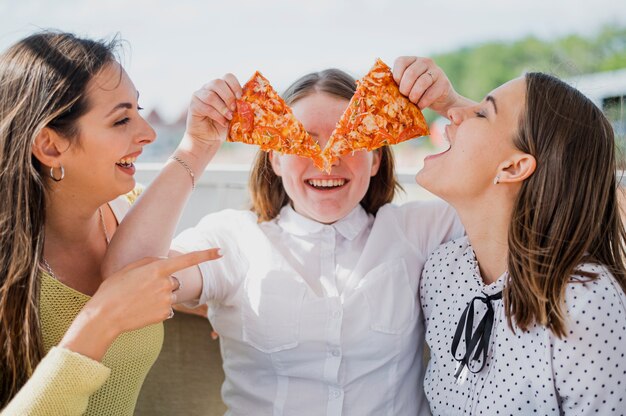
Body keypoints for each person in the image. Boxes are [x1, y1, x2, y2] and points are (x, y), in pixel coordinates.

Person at [103, 60, 466, 415]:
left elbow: (521, 197)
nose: (326, 160)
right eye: (305, 142)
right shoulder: (232, 239)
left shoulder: (421, 230)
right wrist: (195, 148)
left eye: (348, 139)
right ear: (275, 159)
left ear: (375, 159)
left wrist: (452, 104)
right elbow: (127, 279)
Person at [0, 31, 220, 415]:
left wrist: (212, 297)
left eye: (138, 109)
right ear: (50, 146)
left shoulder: (128, 215)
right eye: (121, 120)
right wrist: (104, 317)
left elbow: (150, 276)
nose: (148, 134)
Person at [408, 65, 626, 413]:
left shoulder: (583, 302)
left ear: (512, 168)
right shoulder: (441, 270)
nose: (453, 112)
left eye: (481, 112)